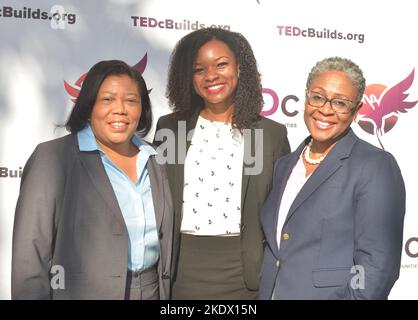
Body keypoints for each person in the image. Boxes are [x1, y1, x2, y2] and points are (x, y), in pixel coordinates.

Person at [12, 60, 173, 300]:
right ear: (89, 105)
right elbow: (30, 255)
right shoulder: (53, 158)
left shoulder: (155, 159)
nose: (120, 109)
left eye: (131, 100)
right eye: (107, 99)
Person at [153, 27, 290, 299]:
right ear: (188, 77)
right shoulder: (169, 128)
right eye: (199, 69)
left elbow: (283, 209)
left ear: (239, 68)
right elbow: (156, 198)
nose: (211, 76)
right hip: (179, 274)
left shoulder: (271, 134)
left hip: (244, 279)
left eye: (221, 64)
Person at [259, 57, 406, 300]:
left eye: (340, 102)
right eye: (318, 97)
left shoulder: (374, 165)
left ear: (356, 110)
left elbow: (378, 264)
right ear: (306, 98)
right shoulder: (284, 165)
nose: (325, 109)